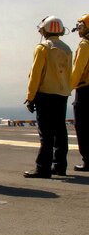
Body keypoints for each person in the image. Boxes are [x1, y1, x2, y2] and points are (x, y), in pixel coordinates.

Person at [24, 16, 72, 178]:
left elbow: (35, 75)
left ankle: (42, 167)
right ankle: (60, 165)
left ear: (45, 29)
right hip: (62, 94)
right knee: (60, 130)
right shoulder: (67, 48)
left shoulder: (43, 48)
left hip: (45, 94)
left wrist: (30, 97)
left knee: (46, 133)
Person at [71, 13, 89, 172]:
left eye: (81, 26)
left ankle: (87, 160)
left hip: (85, 90)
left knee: (82, 126)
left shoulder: (84, 45)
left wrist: (67, 88)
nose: (78, 29)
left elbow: (78, 70)